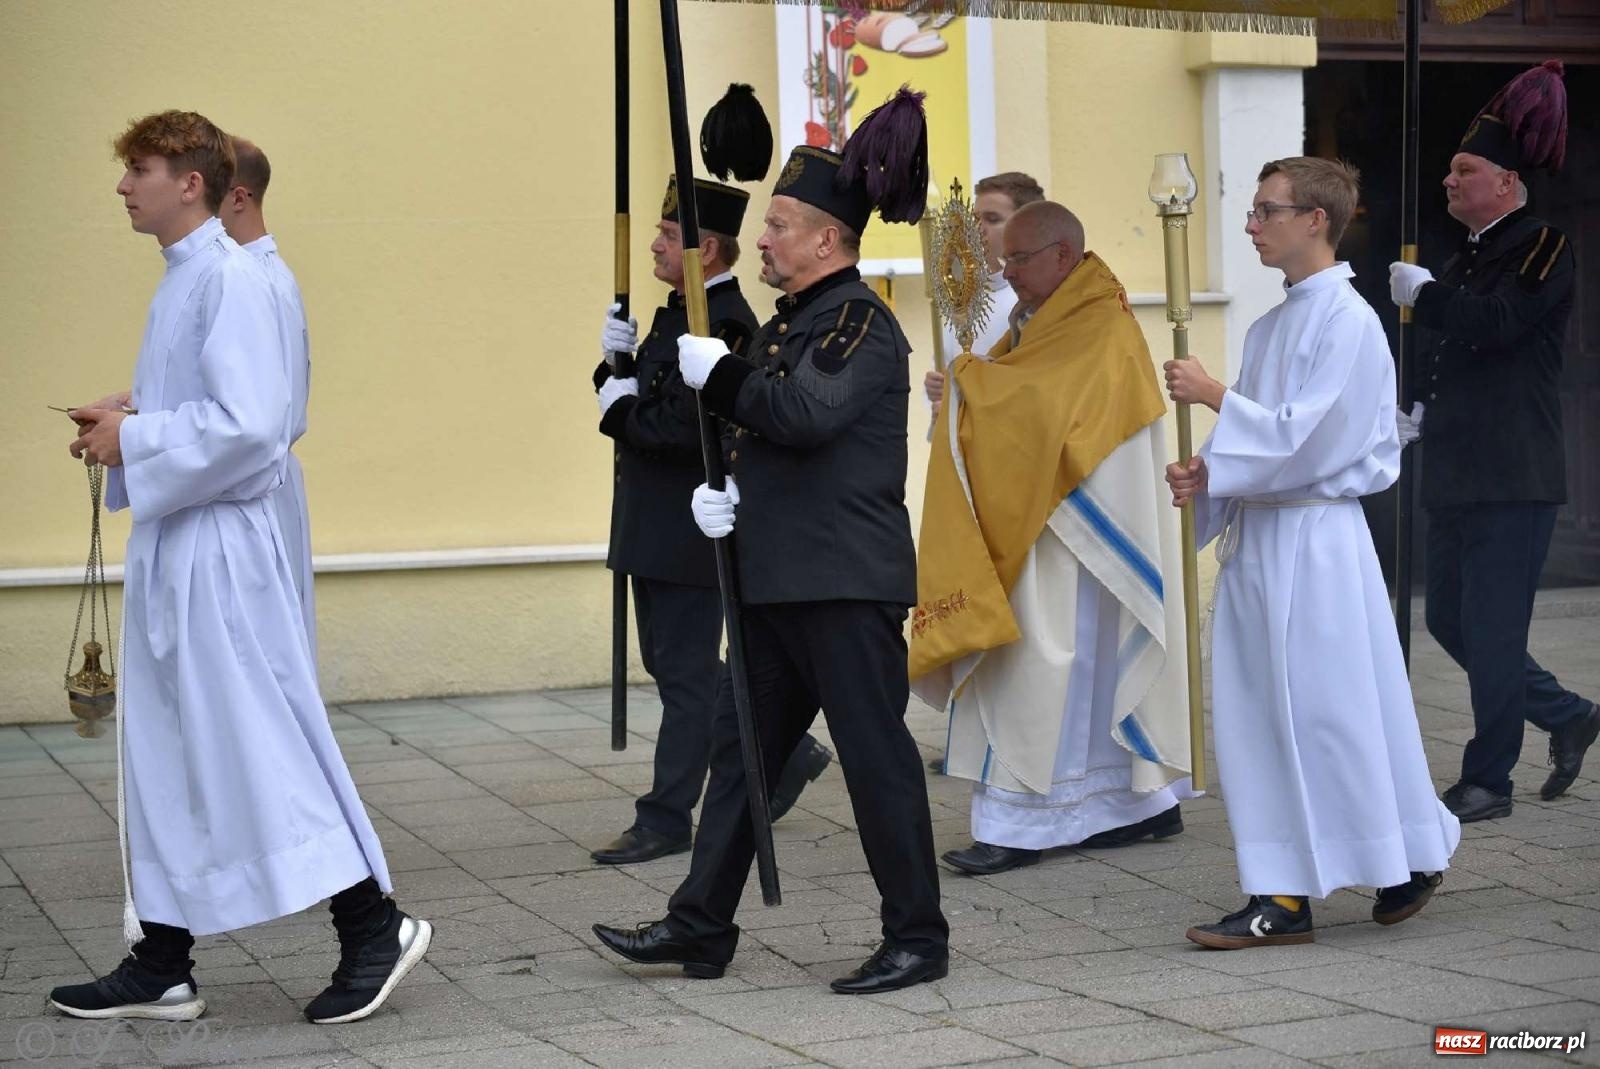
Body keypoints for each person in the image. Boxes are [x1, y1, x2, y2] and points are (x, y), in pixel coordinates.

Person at [53, 111, 428, 1024]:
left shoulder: (231, 277)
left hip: (218, 547)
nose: (122, 186)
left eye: (139, 169)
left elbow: (254, 426)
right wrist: (133, 416)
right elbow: (215, 403)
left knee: (252, 738)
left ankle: (373, 925)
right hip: (185, 537)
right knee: (173, 746)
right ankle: (162, 959)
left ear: (191, 183)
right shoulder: (188, 276)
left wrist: (137, 437)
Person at [592, 89, 950, 995]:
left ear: (828, 240)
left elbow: (801, 414)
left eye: (780, 226)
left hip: (841, 584)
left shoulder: (860, 321)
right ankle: (701, 924)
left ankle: (918, 935)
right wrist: (727, 491)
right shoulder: (794, 320)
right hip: (774, 580)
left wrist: (722, 380)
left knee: (875, 762)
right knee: (741, 759)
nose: (762, 239)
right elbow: (760, 440)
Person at [1165, 156, 1460, 948]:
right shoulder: (1270, 326)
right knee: (1262, 714)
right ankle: (1298, 884)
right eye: (1254, 210)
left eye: (1267, 210)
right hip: (1263, 539)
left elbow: (1313, 437)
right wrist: (1208, 474)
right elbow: (1259, 443)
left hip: (1319, 543)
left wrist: (1215, 395)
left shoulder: (1349, 321)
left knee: (1333, 713)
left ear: (1315, 219)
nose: (1251, 225)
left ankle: (1371, 865)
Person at [912, 201, 1193, 877]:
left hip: (1077, 525)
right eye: (1003, 258)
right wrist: (964, 390)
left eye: (1017, 258)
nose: (1005, 272)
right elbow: (1024, 395)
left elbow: (1041, 412)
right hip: (1050, 521)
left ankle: (1024, 822)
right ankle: (1132, 806)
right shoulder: (1043, 316)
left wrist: (971, 389)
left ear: (1062, 255)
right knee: (1072, 670)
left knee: (1047, 666)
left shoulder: (1097, 319)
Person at [588, 172, 832, 865]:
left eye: (669, 236)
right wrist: (613, 366)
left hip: (687, 530)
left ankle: (667, 816)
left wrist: (618, 405)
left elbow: (681, 427)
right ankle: (787, 755)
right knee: (672, 664)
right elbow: (645, 396)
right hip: (649, 524)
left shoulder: (723, 324)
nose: (655, 246)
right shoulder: (678, 312)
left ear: (709, 251)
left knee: (686, 678)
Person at [1388, 61, 1595, 823]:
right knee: (1448, 618)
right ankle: (1568, 713)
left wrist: (1429, 296)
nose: (1449, 179)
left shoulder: (1543, 246)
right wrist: (1414, 404)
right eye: (1450, 169)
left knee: (1495, 629)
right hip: (1456, 466)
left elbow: (1502, 323)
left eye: (1464, 169)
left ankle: (1489, 779)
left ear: (1506, 181)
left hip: (1512, 471)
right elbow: (1447, 353)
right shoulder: (1464, 255)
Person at [215, 136, 317, 664]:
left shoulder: (255, 281)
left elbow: (258, 412)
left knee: (263, 661)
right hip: (259, 483)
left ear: (239, 196)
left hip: (257, 488)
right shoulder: (254, 275)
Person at [921, 171, 1043, 420]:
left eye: (992, 219)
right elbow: (946, 373)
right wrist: (937, 390)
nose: (977, 228)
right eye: (974, 218)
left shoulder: (1042, 301)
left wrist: (958, 407)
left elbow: (1032, 391)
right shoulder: (959, 297)